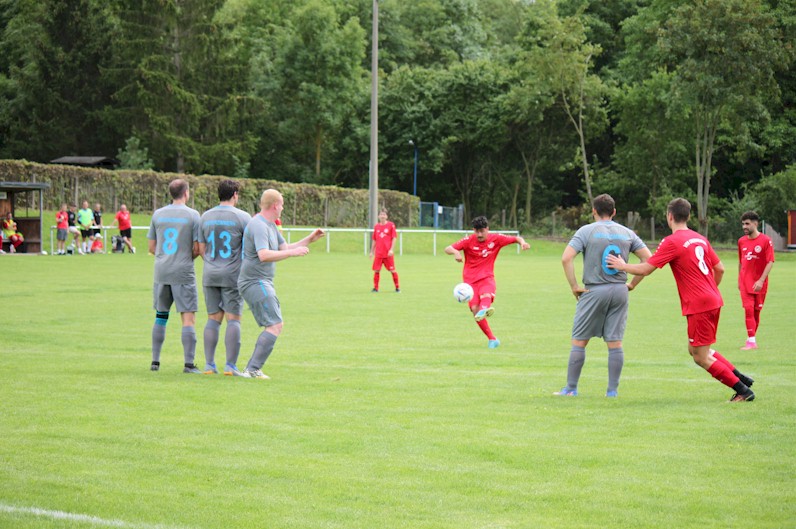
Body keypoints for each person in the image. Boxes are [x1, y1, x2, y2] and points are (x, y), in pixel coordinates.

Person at [607, 198, 756, 402]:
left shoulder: (672, 241)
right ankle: (741, 378)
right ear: (688, 216)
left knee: (700, 357)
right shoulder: (700, 238)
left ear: (670, 216)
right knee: (695, 350)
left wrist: (622, 266)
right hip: (713, 299)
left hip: (699, 304)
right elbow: (720, 269)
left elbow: (646, 268)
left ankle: (743, 391)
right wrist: (709, 290)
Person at [554, 194, 652, 397]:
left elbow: (566, 258)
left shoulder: (586, 231)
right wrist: (632, 284)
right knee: (615, 343)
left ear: (594, 211)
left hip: (594, 289)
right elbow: (648, 260)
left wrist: (574, 286)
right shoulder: (627, 233)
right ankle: (612, 392)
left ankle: (571, 389)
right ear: (614, 212)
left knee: (580, 340)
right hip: (620, 290)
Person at [237, 189, 324, 379]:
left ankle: (252, 369)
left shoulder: (270, 225)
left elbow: (284, 248)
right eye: (282, 205)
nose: (283, 208)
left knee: (275, 324)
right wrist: (293, 253)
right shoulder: (258, 225)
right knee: (275, 324)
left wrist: (310, 239)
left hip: (262, 281)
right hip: (254, 281)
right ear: (275, 205)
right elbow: (264, 254)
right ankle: (252, 370)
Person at [444, 215, 530, 348]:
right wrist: (456, 252)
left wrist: (523, 243)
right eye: (476, 231)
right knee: (475, 310)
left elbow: (516, 238)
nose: (479, 234)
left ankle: (484, 309)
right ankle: (492, 339)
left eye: (482, 231)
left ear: (487, 229)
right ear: (473, 230)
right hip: (470, 282)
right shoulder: (468, 240)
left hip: (486, 278)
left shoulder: (496, 239)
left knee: (485, 295)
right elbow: (448, 248)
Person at [147, 179, 202, 374]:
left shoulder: (158, 214)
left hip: (161, 271)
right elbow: (197, 248)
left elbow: (151, 247)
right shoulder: (193, 215)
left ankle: (155, 362)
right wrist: (186, 257)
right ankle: (188, 364)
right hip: (183, 272)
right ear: (186, 193)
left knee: (161, 316)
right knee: (188, 318)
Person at [198, 179, 252, 376]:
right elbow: (249, 249)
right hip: (232, 274)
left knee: (213, 318)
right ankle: (230, 366)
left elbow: (201, 249)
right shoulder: (243, 217)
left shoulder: (205, 217)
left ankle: (209, 365)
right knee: (233, 319)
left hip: (210, 273)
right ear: (235, 194)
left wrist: (212, 263)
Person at [737, 211, 775, 350]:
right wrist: (739, 279)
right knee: (748, 309)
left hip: (760, 284)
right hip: (745, 282)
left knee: (756, 312)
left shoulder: (766, 241)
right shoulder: (741, 241)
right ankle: (752, 341)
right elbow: (741, 261)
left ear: (755, 223)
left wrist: (761, 280)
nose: (744, 227)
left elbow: (770, 261)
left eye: (747, 224)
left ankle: (751, 339)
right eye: (743, 224)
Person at [370, 209, 400, 293]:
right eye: (381, 214)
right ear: (378, 216)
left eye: (384, 214)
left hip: (388, 254)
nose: (382, 216)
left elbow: (394, 238)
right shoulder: (376, 226)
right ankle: (376, 288)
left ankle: (397, 288)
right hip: (379, 253)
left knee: (392, 270)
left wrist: (391, 249)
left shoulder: (391, 225)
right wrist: (371, 251)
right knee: (376, 270)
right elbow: (374, 240)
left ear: (386, 216)